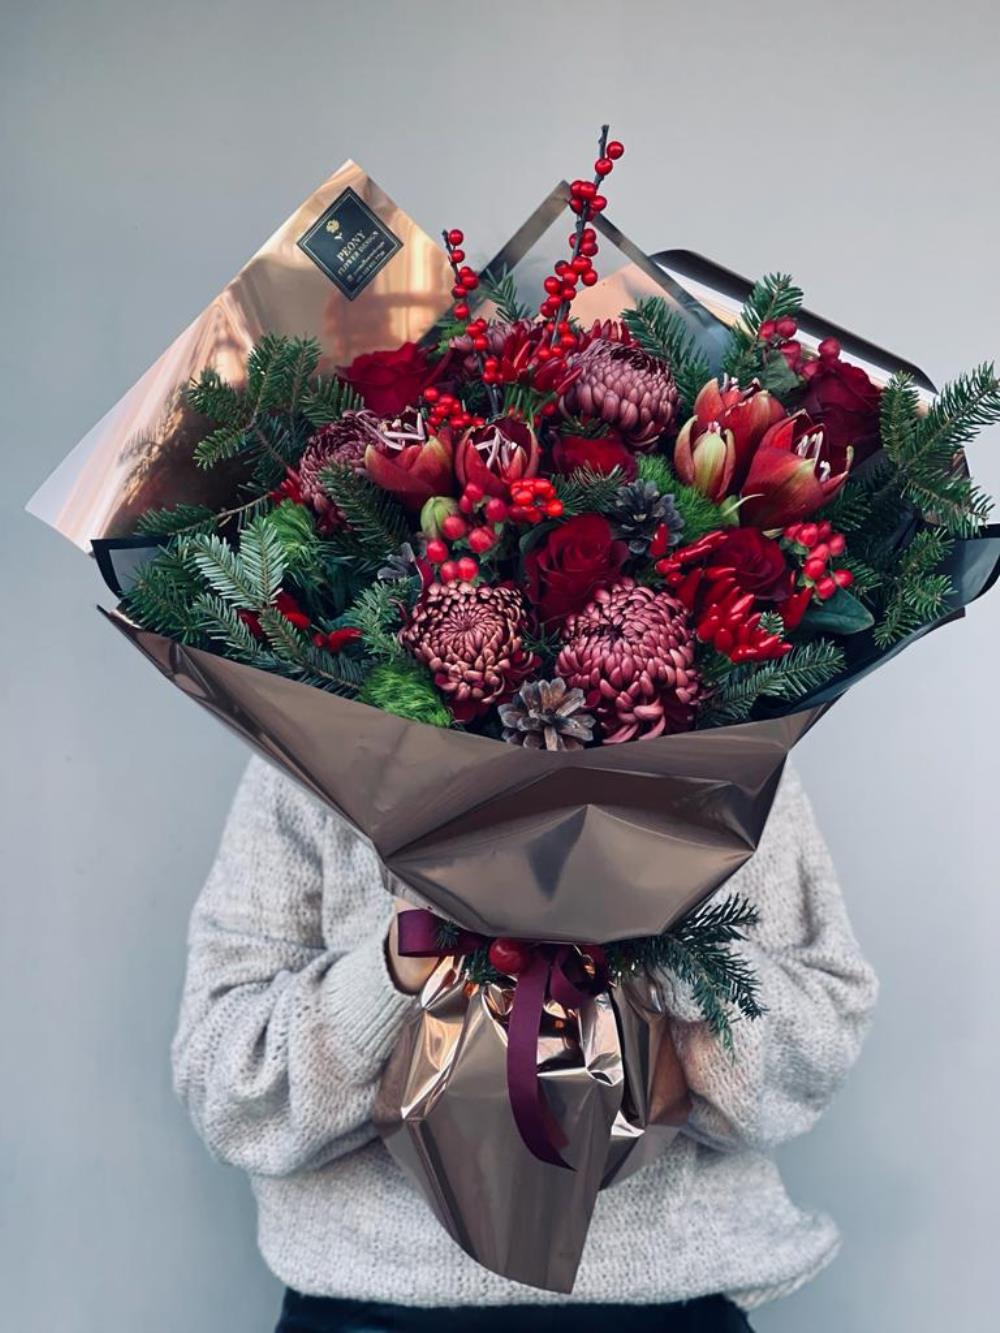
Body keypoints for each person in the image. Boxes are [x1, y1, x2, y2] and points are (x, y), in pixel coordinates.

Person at [172, 756, 877, 1333]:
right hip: (371, 1312)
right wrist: (393, 968)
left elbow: (809, 1059)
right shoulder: (314, 747)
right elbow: (226, 1092)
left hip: (668, 1309)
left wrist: (665, 930)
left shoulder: (723, 752)